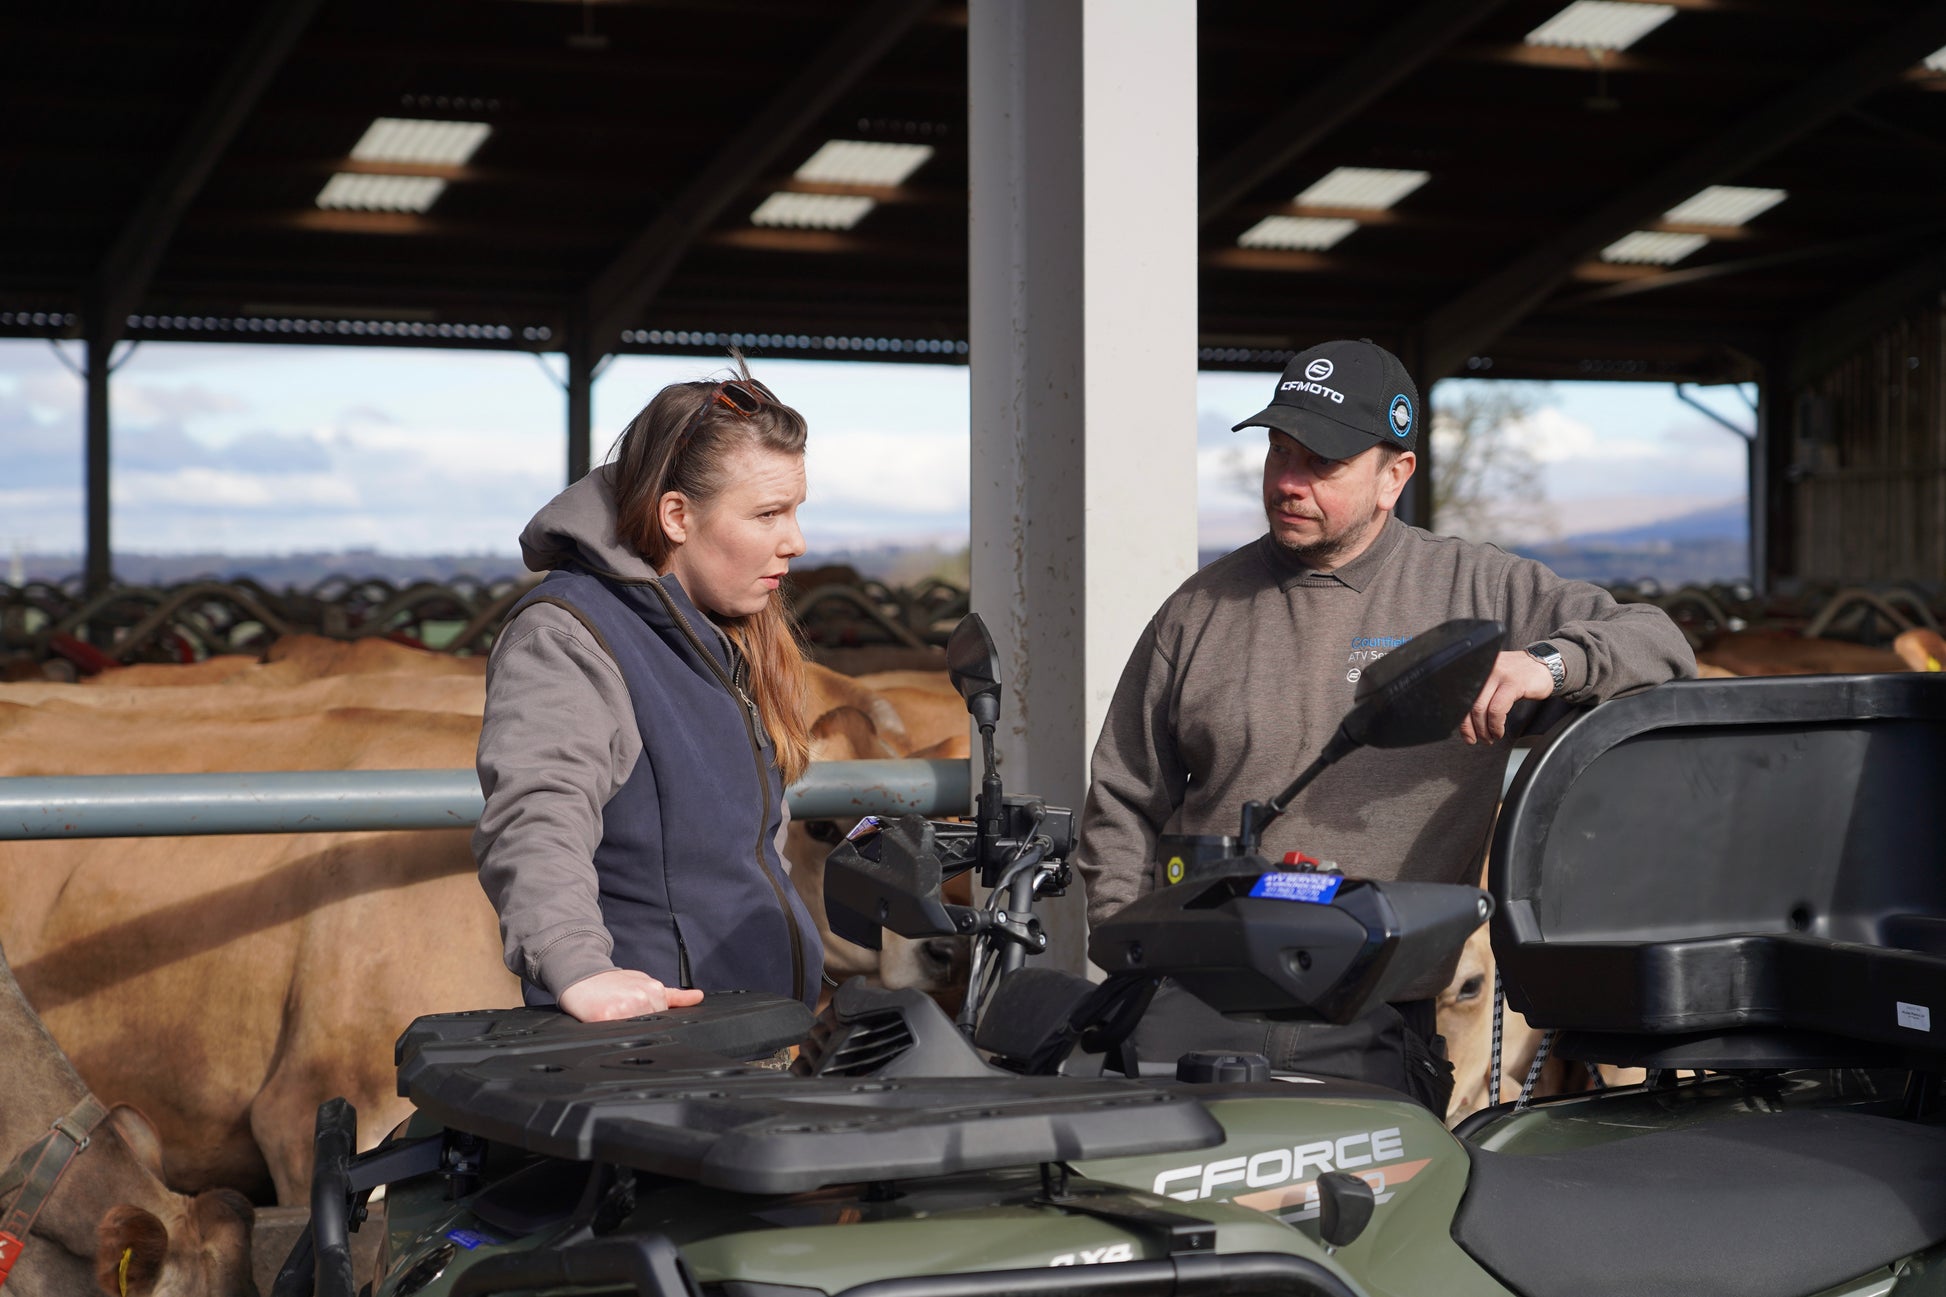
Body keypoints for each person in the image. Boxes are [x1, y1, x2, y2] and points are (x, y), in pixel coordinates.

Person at [1076, 338, 1694, 1107]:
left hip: (1373, 1016)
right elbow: (1123, 798)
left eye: (1322, 463)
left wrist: (1551, 664)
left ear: (1393, 476)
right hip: (1195, 1006)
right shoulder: (1199, 611)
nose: (1289, 482)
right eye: (1279, 452)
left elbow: (1659, 644)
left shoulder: (1476, 587)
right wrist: (1134, 965)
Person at [474, 362, 823, 1022]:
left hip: (744, 1038)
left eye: (796, 510)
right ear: (676, 516)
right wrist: (577, 967)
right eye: (768, 513)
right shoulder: (570, 635)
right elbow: (538, 812)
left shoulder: (726, 632)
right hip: (647, 1053)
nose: (796, 541)